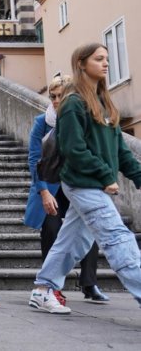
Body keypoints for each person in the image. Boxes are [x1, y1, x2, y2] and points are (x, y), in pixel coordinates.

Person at [29, 43, 141, 314]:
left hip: (93, 183)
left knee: (73, 240)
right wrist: (104, 175)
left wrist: (138, 175)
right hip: (81, 182)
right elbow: (73, 149)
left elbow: (119, 150)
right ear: (81, 63)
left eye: (106, 59)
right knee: (117, 237)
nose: (106, 63)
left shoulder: (103, 103)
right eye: (98, 59)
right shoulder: (73, 103)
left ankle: (43, 289)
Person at [24, 74, 109, 305]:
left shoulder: (82, 118)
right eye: (52, 96)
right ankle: (49, 286)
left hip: (78, 184)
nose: (56, 100)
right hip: (51, 186)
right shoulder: (42, 122)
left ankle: (89, 283)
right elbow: (34, 159)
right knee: (51, 230)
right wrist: (43, 191)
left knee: (87, 230)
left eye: (61, 95)